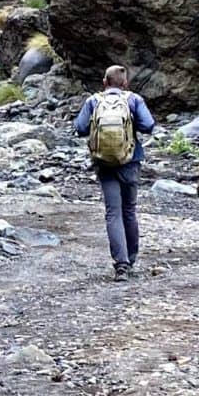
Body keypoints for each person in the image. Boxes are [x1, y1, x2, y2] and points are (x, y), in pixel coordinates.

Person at [73, 65, 157, 280]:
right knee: (129, 210)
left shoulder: (93, 101)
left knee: (113, 212)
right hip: (130, 160)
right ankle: (131, 258)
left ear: (105, 82)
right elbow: (148, 125)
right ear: (125, 83)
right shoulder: (133, 99)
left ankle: (121, 265)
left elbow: (80, 128)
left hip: (104, 163)